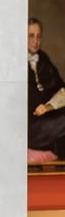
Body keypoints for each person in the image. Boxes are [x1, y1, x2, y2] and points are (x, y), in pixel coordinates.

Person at [28, 17, 65, 160]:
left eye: (38, 36)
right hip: (31, 124)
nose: (35, 41)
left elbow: (59, 86)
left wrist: (50, 106)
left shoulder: (43, 58)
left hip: (49, 116)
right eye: (31, 36)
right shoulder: (15, 61)